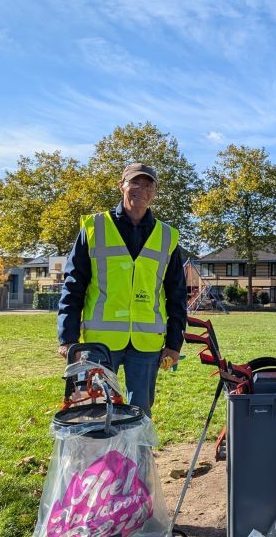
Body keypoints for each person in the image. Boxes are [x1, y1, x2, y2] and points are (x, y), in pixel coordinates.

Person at [57, 163, 187, 416]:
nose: (142, 189)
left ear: (155, 193)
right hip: (99, 343)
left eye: (149, 185)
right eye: (135, 182)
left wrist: (174, 342)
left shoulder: (167, 236)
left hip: (147, 344)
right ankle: (98, 457)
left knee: (140, 414)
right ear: (121, 186)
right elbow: (73, 285)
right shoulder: (94, 228)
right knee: (94, 409)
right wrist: (68, 338)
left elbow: (177, 294)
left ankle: (138, 457)